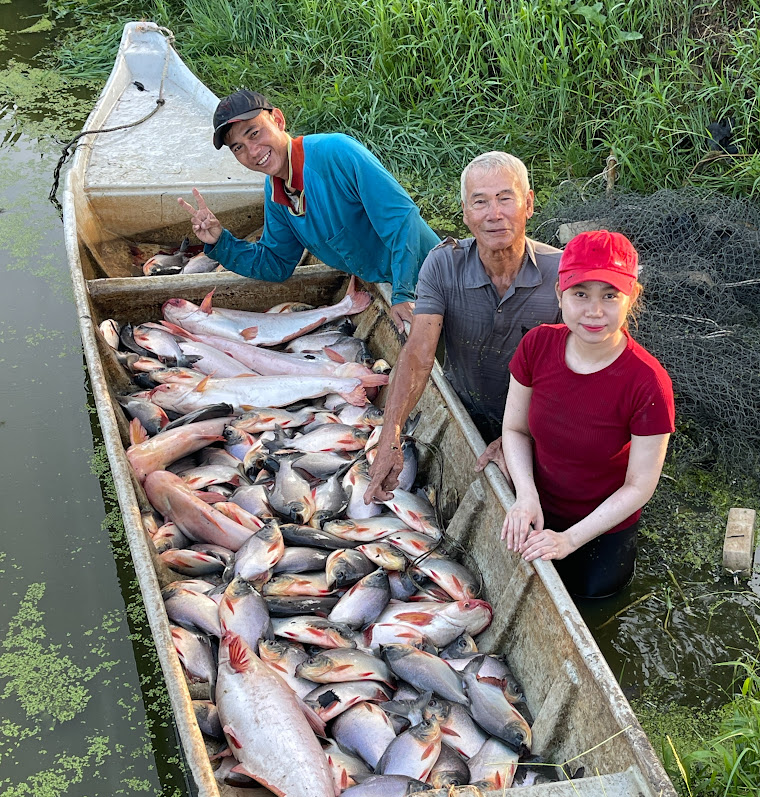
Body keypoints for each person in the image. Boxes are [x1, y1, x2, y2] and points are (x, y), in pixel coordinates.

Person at [364, 151, 562, 504]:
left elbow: (576, 376)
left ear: (529, 204)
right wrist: (390, 433)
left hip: (542, 421)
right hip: (466, 404)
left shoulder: (561, 275)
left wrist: (522, 434)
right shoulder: (443, 264)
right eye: (480, 202)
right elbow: (419, 355)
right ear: (466, 212)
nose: (494, 214)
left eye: (505, 198)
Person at [500, 229, 675, 599]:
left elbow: (639, 486)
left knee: (596, 597)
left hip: (603, 525)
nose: (595, 311)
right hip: (539, 502)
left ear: (631, 299)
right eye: (581, 294)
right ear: (560, 294)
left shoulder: (649, 384)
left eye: (610, 296)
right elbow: (514, 430)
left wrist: (568, 540)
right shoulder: (537, 344)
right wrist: (525, 496)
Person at [178, 89, 440, 331]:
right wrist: (221, 241)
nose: (253, 151)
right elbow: (276, 263)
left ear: (278, 120)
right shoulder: (276, 190)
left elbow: (402, 221)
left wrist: (404, 293)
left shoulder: (337, 153)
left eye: (254, 133)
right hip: (387, 285)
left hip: (433, 276)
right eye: (238, 148)